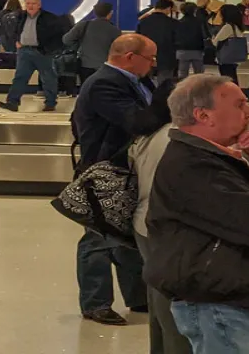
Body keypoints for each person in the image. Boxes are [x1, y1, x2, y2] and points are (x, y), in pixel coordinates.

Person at [145, 74, 249, 354]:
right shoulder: (193, 167)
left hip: (234, 300)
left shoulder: (221, 159)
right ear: (203, 115)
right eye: (239, 105)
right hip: (218, 306)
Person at [71, 34, 164, 325]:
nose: (153, 64)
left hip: (128, 170)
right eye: (150, 58)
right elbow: (138, 121)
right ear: (129, 57)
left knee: (128, 236)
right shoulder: (104, 84)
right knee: (98, 239)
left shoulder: (135, 81)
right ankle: (95, 303)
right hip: (104, 171)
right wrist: (166, 100)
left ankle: (137, 297)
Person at [130, 102, 190, 354]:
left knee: (158, 297)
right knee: (173, 308)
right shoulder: (176, 139)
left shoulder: (151, 133)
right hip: (163, 227)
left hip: (144, 222)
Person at [0, 0, 67, 113]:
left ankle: (50, 103)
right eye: (28, 3)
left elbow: (58, 35)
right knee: (20, 77)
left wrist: (50, 49)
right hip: (24, 51)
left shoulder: (49, 18)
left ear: (39, 5)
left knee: (48, 78)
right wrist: (16, 40)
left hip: (42, 52)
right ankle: (12, 102)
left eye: (33, 3)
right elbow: (13, 30)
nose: (30, 6)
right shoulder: (20, 16)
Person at [63, 2, 124, 88]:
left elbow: (66, 40)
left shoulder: (83, 25)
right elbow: (119, 49)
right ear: (110, 13)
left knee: (86, 88)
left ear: (95, 12)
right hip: (105, 66)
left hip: (85, 64)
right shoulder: (114, 30)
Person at [136, 0, 178, 82]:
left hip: (146, 55)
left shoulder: (143, 22)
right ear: (168, 8)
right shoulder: (173, 23)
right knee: (164, 83)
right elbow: (177, 39)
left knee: (146, 81)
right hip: (167, 57)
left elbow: (138, 38)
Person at [210, 3, 248, 85]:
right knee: (232, 78)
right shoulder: (236, 26)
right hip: (234, 58)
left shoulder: (228, 27)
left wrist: (212, 38)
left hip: (226, 58)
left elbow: (216, 42)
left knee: (228, 79)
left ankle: (233, 92)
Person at [175, 2, 208, 78]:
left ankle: (183, 85)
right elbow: (205, 35)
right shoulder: (200, 22)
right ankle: (198, 85)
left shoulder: (178, 22)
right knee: (199, 73)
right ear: (194, 10)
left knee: (182, 73)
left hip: (182, 49)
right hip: (197, 49)